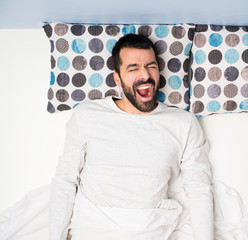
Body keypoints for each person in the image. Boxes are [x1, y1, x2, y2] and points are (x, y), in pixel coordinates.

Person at [49, 34, 214, 240]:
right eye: (133, 68)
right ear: (117, 77)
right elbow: (65, 180)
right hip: (94, 226)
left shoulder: (183, 122)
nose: (145, 75)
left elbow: (199, 189)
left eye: (151, 66)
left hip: (148, 228)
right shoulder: (87, 115)